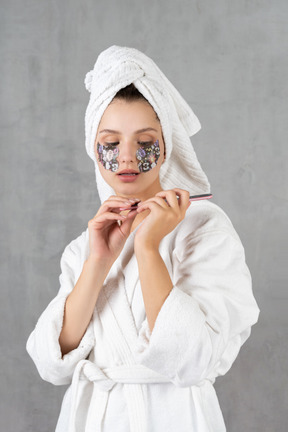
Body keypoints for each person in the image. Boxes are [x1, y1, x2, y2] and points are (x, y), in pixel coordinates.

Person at [26, 45, 260, 432]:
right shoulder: (85, 246)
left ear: (166, 145)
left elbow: (194, 360)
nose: (128, 157)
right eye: (111, 142)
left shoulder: (204, 230)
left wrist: (148, 247)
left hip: (176, 418)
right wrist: (98, 262)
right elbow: (51, 363)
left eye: (145, 141)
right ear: (93, 147)